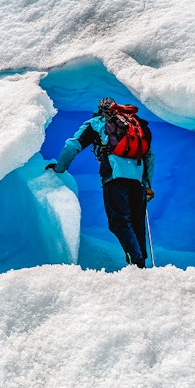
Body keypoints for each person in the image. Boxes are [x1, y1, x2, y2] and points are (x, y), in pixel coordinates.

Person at [45, 97, 155, 268]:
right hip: (138, 182)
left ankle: (137, 263)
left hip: (114, 177)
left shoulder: (96, 123)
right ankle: (141, 265)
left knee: (119, 221)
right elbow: (149, 157)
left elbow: (73, 146)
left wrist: (60, 168)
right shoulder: (135, 125)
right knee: (136, 222)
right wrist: (147, 186)